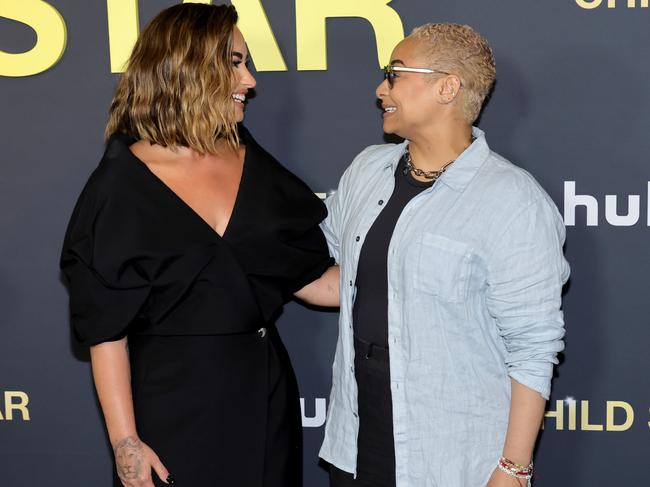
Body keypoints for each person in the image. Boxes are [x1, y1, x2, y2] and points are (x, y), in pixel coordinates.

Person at [60, 4, 338, 487]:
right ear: (187, 68)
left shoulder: (252, 160)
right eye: (234, 62)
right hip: (171, 409)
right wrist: (127, 443)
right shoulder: (122, 183)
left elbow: (312, 281)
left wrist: (401, 269)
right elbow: (106, 332)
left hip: (264, 397)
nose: (249, 80)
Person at [319, 23, 569, 487]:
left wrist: (512, 470)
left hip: (454, 459)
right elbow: (339, 279)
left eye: (393, 74)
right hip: (355, 448)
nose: (380, 90)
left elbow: (533, 349)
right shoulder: (367, 171)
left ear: (447, 87)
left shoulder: (513, 201)